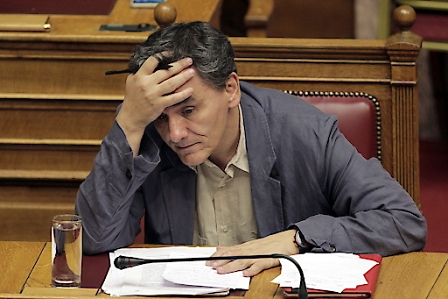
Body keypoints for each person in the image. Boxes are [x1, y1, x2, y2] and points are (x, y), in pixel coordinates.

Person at [75, 21, 427, 277]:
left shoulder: (304, 132)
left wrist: (296, 239)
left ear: (230, 89)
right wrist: (131, 124)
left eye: (189, 110)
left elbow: (402, 222)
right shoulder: (147, 133)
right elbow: (93, 238)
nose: (176, 133)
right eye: (160, 117)